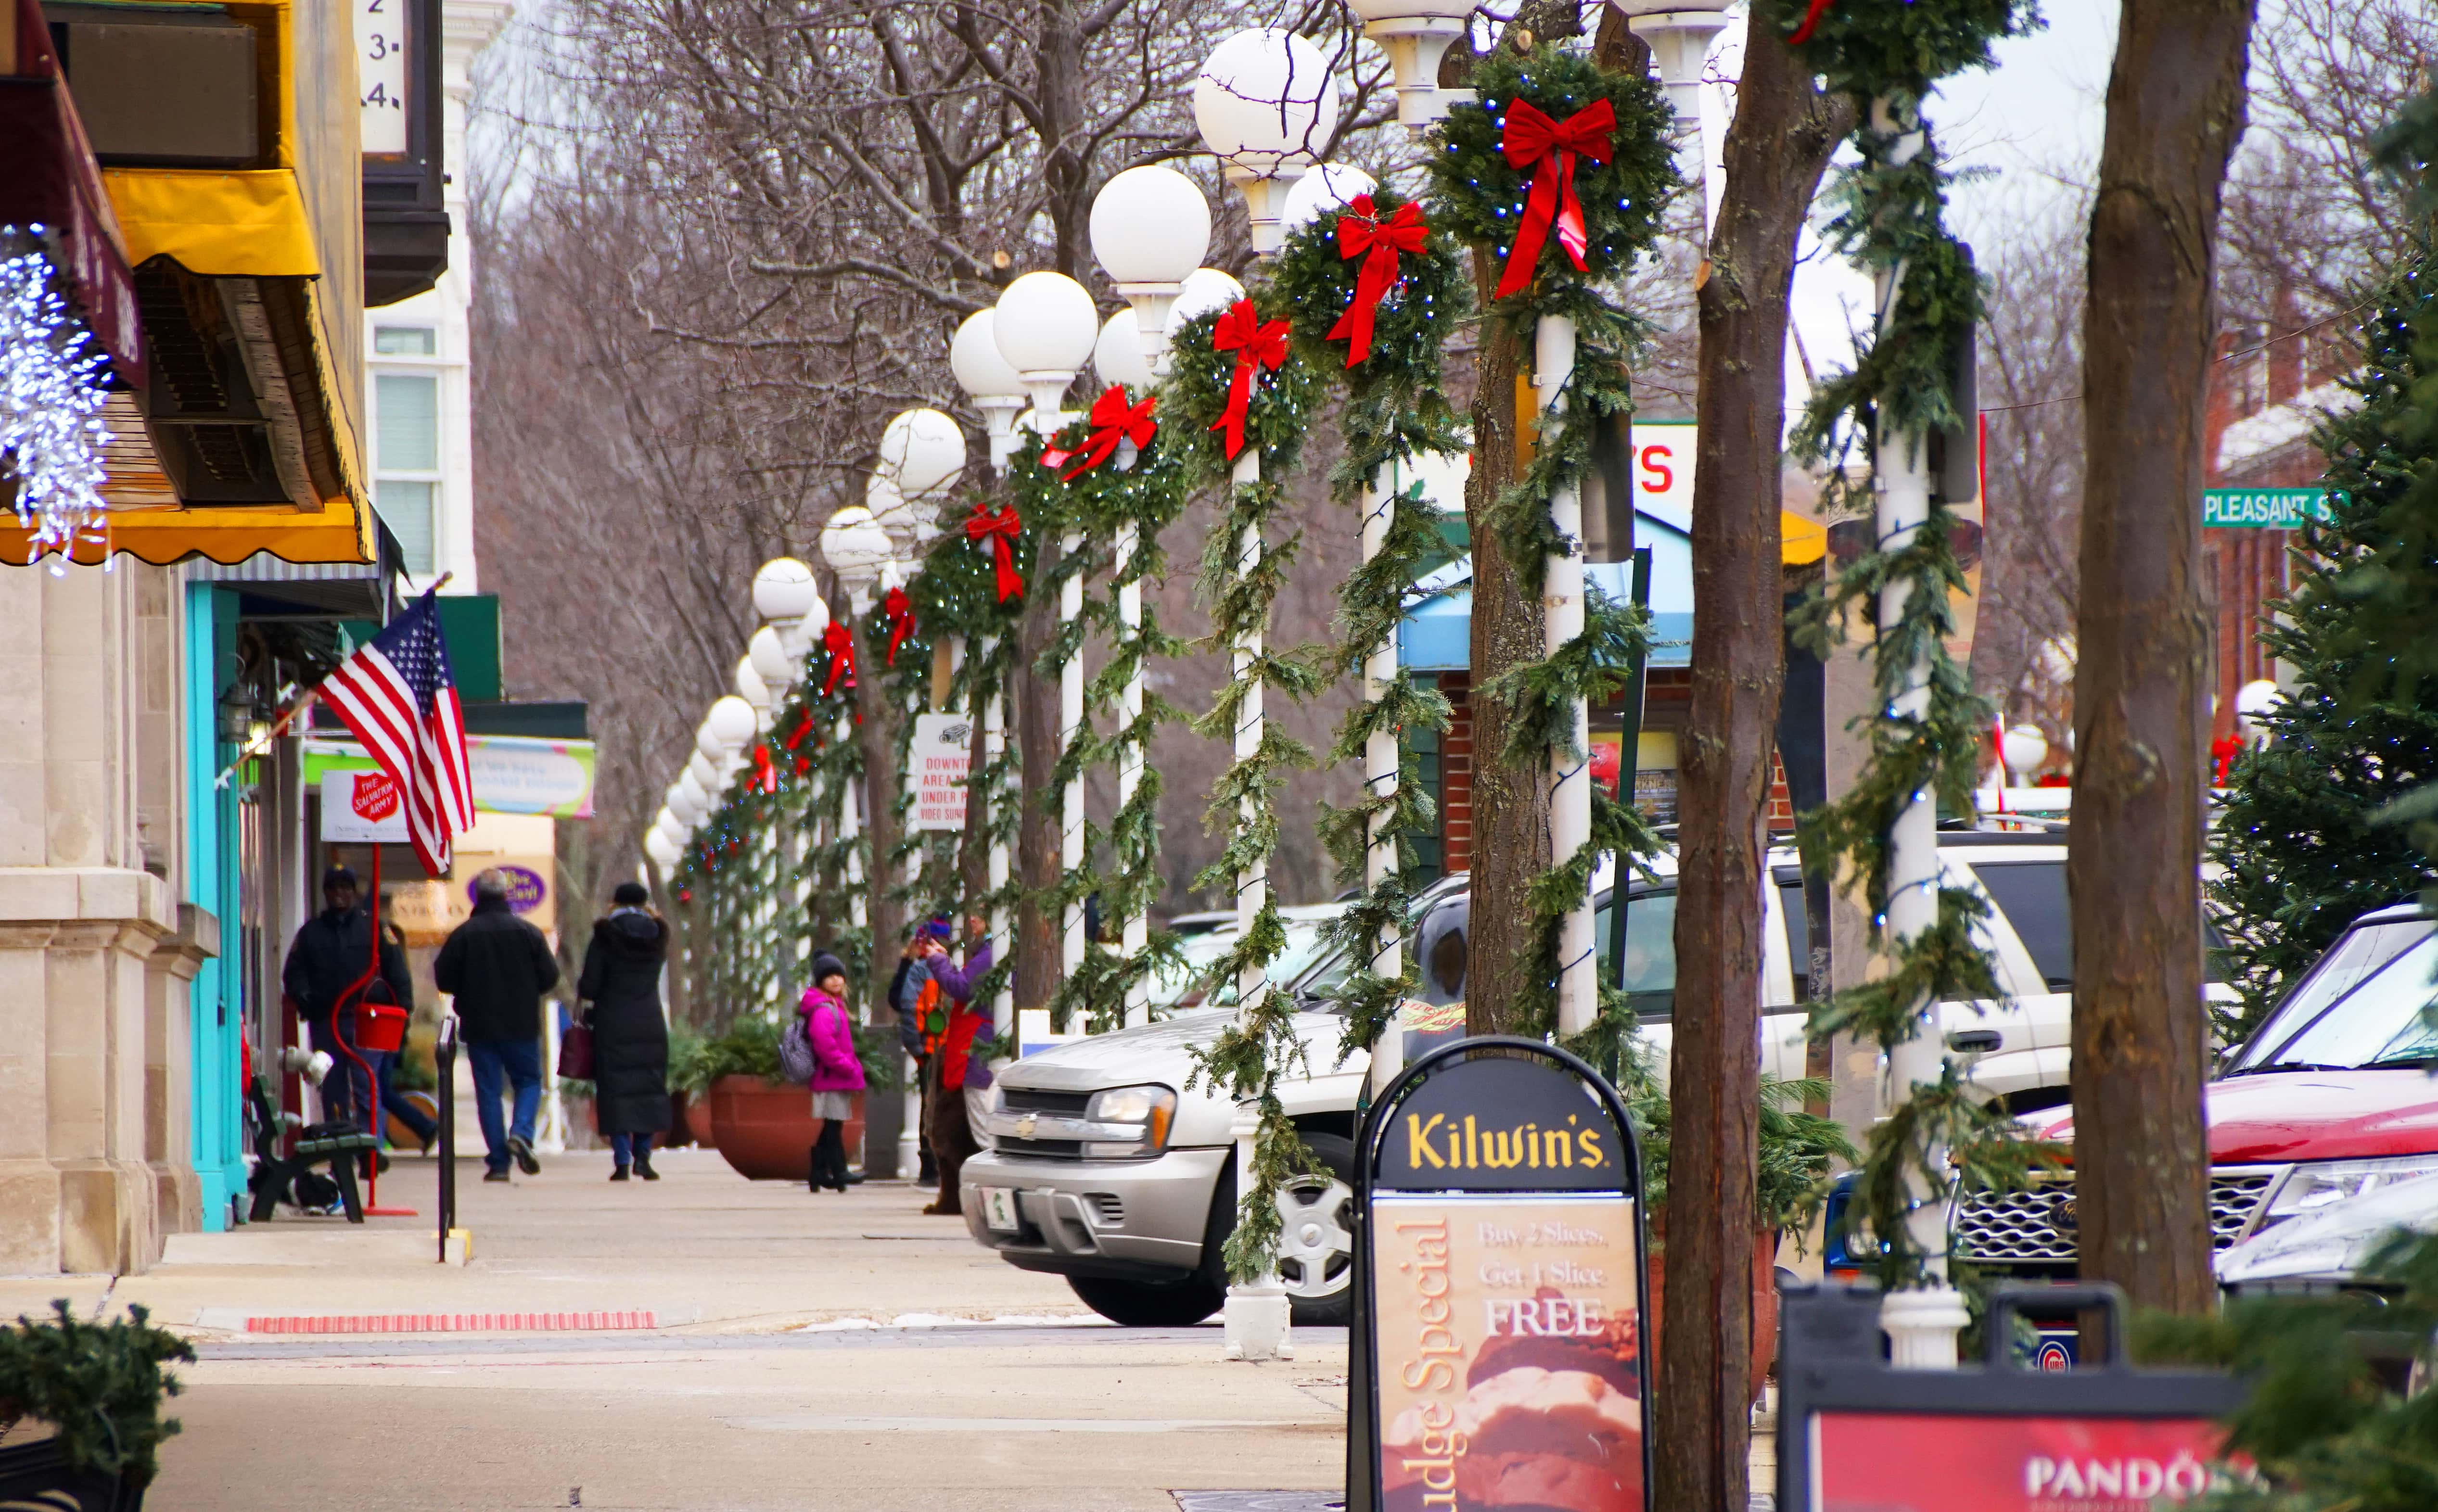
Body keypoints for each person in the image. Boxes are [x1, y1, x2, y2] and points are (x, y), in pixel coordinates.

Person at [434, 868, 561, 1183]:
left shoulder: (463, 935)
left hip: (479, 1027)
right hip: (521, 1023)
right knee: (529, 1081)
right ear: (506, 895)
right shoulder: (529, 932)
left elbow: (444, 979)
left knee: (488, 1092)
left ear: (477, 896)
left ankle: (499, 1164)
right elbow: (551, 977)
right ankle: (521, 1133)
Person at [281, 865, 413, 1141]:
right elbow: (294, 972)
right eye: (333, 887)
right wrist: (305, 996)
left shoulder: (375, 928)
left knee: (367, 1085)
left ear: (354, 893)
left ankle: (369, 1149)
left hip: (369, 1020)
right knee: (332, 1087)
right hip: (328, 1020)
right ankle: (341, 1146)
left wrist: (404, 1012)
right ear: (326, 892)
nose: (339, 893)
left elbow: (397, 972)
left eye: (345, 887)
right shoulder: (311, 933)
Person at [576, 882, 672, 1182]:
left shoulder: (605, 937)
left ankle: (621, 1161)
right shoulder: (658, 936)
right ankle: (644, 1157)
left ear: (615, 903)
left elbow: (590, 986)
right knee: (648, 1088)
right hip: (649, 1021)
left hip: (613, 1022)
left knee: (615, 1090)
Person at [914, 915, 991, 1217]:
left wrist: (939, 964)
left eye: (981, 913)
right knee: (956, 1129)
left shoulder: (992, 955)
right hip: (959, 1052)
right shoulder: (988, 953)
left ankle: (984, 1203)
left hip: (973, 1053)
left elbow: (962, 988)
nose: (973, 919)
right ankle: (960, 1199)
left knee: (980, 1134)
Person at [798, 952, 865, 1193]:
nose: (837, 980)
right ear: (820, 981)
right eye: (830, 977)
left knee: (832, 1125)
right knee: (833, 1126)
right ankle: (838, 1171)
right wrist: (847, 1066)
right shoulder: (824, 1010)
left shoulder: (834, 1006)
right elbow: (825, 1045)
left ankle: (820, 1172)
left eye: (839, 975)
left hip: (834, 1076)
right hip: (832, 1076)